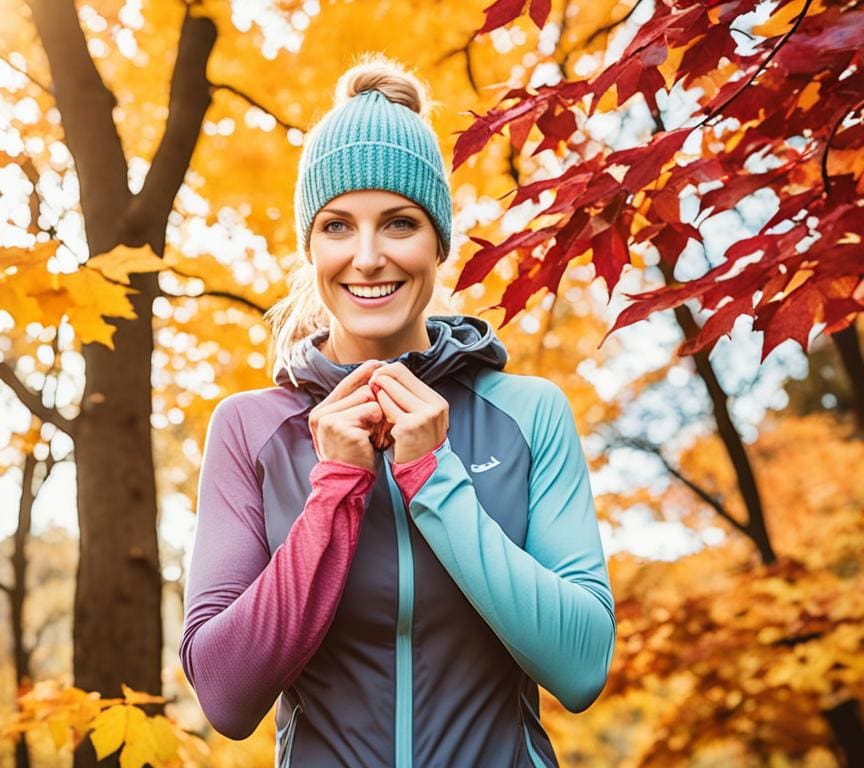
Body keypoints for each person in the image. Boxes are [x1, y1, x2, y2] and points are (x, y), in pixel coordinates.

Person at [179, 51, 616, 768]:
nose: (370, 256)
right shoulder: (251, 428)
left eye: (400, 223)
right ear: (310, 246)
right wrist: (334, 495)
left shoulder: (528, 412)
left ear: (437, 240)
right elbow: (226, 697)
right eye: (338, 226)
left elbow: (580, 667)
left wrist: (437, 481)